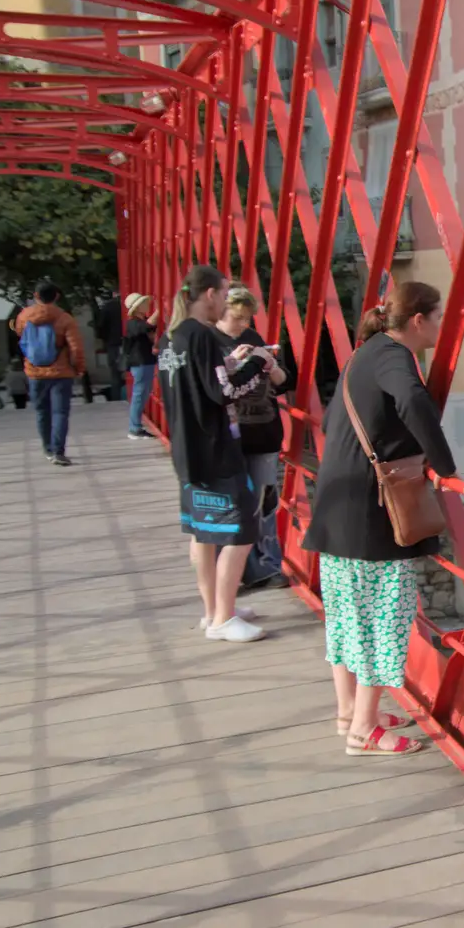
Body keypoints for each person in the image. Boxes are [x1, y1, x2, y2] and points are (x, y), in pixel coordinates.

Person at [304, 280, 454, 757]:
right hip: (372, 514)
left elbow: (331, 423)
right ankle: (364, 730)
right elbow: (412, 401)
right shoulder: (395, 356)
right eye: (437, 317)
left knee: (348, 618)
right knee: (383, 618)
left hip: (336, 502)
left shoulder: (363, 354)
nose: (440, 326)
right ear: (417, 321)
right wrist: (444, 465)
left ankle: (349, 712)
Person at [159, 264, 279, 644]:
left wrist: (228, 364)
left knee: (203, 532)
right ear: (209, 295)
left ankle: (214, 609)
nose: (226, 302)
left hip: (186, 447)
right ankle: (223, 619)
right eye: (224, 295)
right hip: (213, 447)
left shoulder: (172, 336)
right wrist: (258, 364)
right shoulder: (203, 335)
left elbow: (194, 385)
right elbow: (221, 393)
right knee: (242, 529)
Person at [213, 283, 295, 588]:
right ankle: (230, 575)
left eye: (248, 318)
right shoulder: (208, 341)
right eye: (238, 318)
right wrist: (231, 362)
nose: (244, 325)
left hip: (263, 431)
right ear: (222, 313)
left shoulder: (254, 339)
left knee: (264, 503)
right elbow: (209, 388)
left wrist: (271, 365)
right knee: (231, 505)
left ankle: (267, 567)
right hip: (228, 436)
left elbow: (285, 383)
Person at [12, 281, 86, 466]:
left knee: (41, 412)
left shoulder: (24, 316)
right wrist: (78, 368)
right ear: (57, 296)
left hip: (35, 372)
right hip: (61, 373)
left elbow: (23, 341)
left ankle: (47, 448)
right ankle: (59, 452)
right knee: (60, 412)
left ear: (36, 296)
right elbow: (76, 348)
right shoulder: (64, 318)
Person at [123, 293, 159, 439]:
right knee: (139, 394)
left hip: (145, 361)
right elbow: (148, 326)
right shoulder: (132, 323)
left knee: (142, 393)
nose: (146, 305)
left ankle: (136, 426)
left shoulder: (139, 321)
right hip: (140, 362)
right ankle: (134, 428)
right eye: (143, 303)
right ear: (137, 307)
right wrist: (160, 311)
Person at [93, 293, 124, 402]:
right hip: (129, 342)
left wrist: (106, 339)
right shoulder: (129, 305)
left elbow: (101, 327)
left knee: (115, 374)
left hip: (113, 344)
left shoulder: (108, 307)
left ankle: (117, 398)